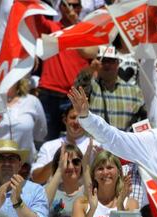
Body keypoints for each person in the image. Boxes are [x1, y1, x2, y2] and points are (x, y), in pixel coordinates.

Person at [36, 0, 96, 140]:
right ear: (60, 7)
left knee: (78, 143)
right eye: (68, 4)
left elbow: (92, 52)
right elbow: (34, 16)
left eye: (76, 5)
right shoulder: (51, 27)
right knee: (47, 141)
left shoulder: (88, 31)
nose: (72, 8)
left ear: (81, 8)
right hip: (50, 94)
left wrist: (77, 25)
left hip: (75, 96)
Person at [0, 139, 49, 217]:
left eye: (12, 159)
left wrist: (18, 202)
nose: (7, 163)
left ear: (19, 165)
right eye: (1, 158)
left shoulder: (37, 191)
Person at [31, 105, 95, 184]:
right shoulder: (48, 146)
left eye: (81, 118)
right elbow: (36, 178)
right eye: (73, 117)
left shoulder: (96, 147)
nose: (76, 122)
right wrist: (56, 161)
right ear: (65, 120)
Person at [71, 150, 138, 217]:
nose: (105, 172)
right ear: (94, 175)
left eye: (109, 167)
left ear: (119, 172)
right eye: (100, 169)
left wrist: (120, 205)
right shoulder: (81, 203)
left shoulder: (131, 203)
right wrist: (91, 210)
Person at [89, 45, 146, 131]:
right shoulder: (90, 86)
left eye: (111, 61)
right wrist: (90, 71)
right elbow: (79, 86)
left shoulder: (134, 92)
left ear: (118, 63)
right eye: (103, 61)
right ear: (97, 63)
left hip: (122, 142)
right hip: (93, 143)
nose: (107, 65)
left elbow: (142, 120)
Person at [46, 143, 85, 217]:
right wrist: (60, 170)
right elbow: (41, 206)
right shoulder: (46, 190)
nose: (71, 167)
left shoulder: (89, 192)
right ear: (57, 165)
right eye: (66, 162)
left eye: (76, 162)